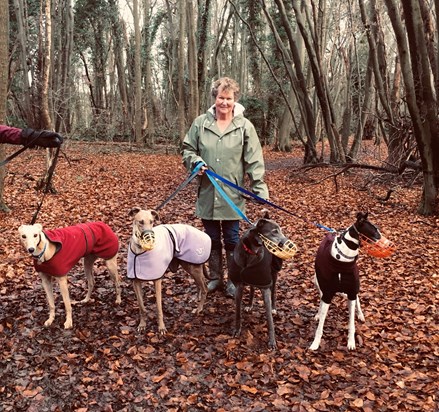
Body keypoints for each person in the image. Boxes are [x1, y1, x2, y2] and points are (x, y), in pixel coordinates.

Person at [182, 77, 269, 298]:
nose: (224, 102)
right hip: (208, 192)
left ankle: (233, 280)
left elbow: (254, 160)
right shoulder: (201, 123)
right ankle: (214, 278)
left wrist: (259, 188)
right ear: (215, 98)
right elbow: (187, 149)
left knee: (232, 239)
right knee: (210, 238)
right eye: (221, 97)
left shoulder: (244, 126)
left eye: (228, 98)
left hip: (232, 195)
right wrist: (195, 162)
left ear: (234, 100)